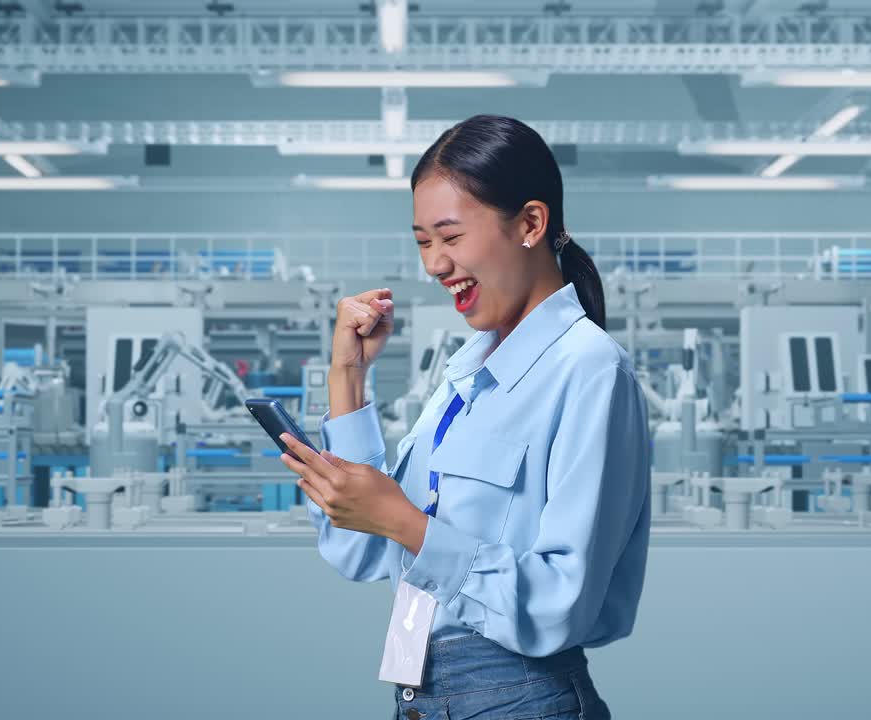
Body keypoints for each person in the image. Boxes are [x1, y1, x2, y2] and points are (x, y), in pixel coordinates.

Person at [278, 114, 651, 720]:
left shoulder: (589, 369)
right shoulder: (466, 371)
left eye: (450, 237)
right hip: (421, 689)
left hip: (518, 696)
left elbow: (564, 603)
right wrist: (347, 377)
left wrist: (405, 521)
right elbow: (362, 552)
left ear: (531, 223)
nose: (434, 264)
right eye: (423, 241)